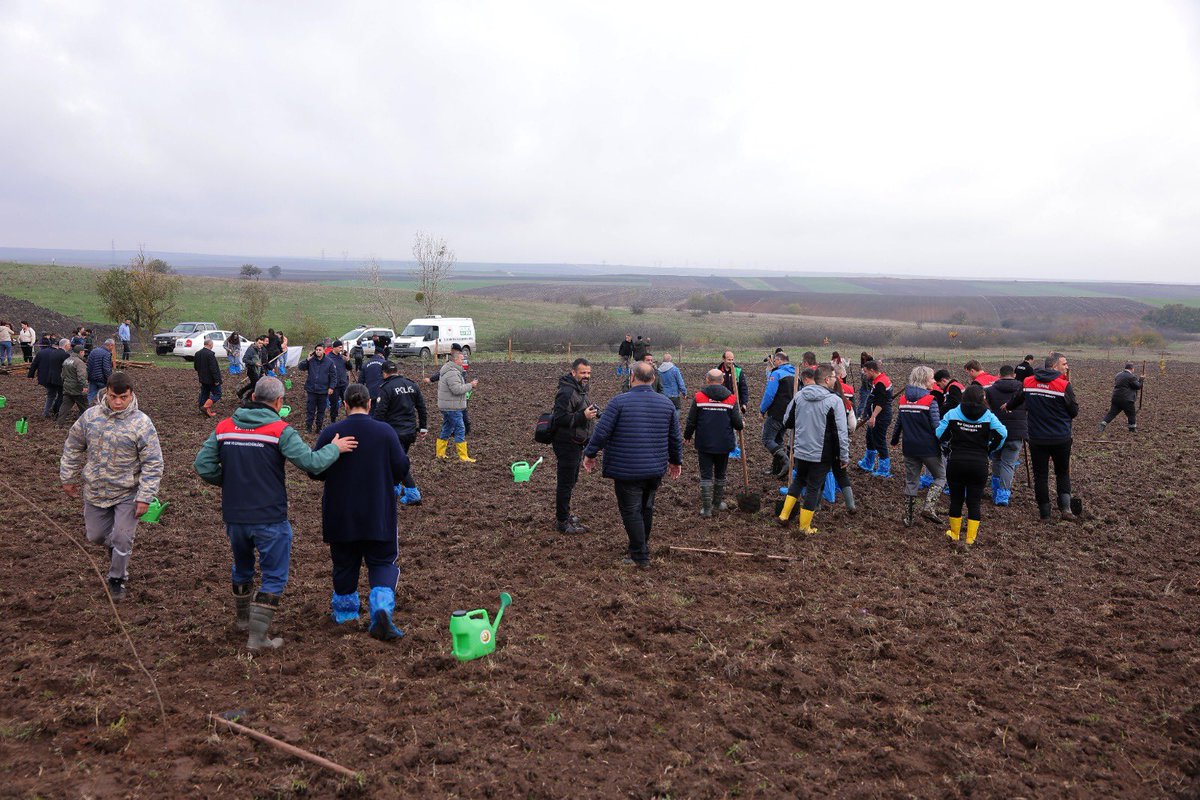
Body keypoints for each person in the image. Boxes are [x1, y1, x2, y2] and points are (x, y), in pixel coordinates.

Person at [193, 377, 357, 651]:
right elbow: (311, 463)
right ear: (279, 402)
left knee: (243, 568)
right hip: (269, 516)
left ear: (254, 397)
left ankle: (243, 621)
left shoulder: (223, 427)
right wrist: (334, 449)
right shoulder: (280, 430)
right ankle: (257, 638)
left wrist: (233, 482)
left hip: (235, 516)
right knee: (273, 576)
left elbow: (202, 465)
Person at [314, 384, 410, 640]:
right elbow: (401, 468)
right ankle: (380, 607)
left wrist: (331, 451)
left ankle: (345, 617)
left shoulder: (331, 433)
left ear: (344, 405)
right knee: (382, 562)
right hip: (377, 512)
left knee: (344, 564)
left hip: (340, 514)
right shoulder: (385, 432)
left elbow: (315, 471)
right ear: (370, 404)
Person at [61, 372, 163, 601]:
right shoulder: (90, 417)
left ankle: (117, 579)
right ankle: (115, 549)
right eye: (114, 396)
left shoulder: (142, 423)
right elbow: (73, 446)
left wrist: (145, 496)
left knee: (123, 536)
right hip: (95, 490)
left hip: (128, 492)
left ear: (131, 395)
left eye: (123, 397)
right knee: (95, 536)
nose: (118, 402)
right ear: (106, 393)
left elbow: (153, 462)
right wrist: (67, 477)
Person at [583, 362, 683, 568]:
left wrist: (590, 453)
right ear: (653, 379)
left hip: (626, 469)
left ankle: (639, 554)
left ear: (632, 378)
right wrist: (675, 461)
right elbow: (675, 437)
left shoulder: (618, 402)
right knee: (646, 508)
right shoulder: (666, 404)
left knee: (631, 511)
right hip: (654, 469)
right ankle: (639, 546)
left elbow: (602, 432)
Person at [1003, 352, 1078, 522]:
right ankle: (1066, 508)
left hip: (1037, 438)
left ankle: (1045, 513)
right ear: (1053, 366)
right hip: (1061, 437)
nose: (1067, 367)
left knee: (1041, 476)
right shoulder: (1064, 385)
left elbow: (1015, 401)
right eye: (1064, 364)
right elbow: (1074, 412)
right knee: (1062, 473)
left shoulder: (1028, 382)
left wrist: (1007, 405)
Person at [778, 365, 849, 535]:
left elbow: (787, 420)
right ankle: (804, 527)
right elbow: (841, 431)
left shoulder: (800, 395)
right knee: (813, 488)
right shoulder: (835, 400)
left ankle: (783, 516)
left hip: (801, 450)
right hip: (822, 453)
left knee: (798, 481)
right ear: (826, 379)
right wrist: (844, 456)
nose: (835, 380)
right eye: (833, 377)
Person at [936, 384, 1007, 546]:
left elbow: (940, 433)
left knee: (956, 500)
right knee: (974, 501)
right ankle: (970, 538)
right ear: (982, 398)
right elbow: (1003, 433)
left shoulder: (953, 413)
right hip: (979, 463)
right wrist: (990, 449)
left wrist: (949, 442)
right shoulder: (988, 416)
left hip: (956, 462)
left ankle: (954, 535)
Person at [684, 369, 744, 518]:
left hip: (704, 443)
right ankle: (717, 503)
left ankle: (706, 508)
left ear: (707, 380)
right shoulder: (731, 399)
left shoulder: (699, 397)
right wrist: (741, 423)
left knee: (705, 475)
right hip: (724, 444)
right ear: (722, 380)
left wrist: (687, 435)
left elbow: (691, 420)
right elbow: (737, 424)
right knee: (720, 473)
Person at [891, 365, 945, 526]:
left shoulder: (903, 400)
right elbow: (937, 427)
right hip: (929, 448)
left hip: (909, 447)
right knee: (941, 477)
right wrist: (946, 443)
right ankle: (929, 506)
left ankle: (908, 517)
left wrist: (894, 440)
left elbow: (899, 423)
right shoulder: (930, 400)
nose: (934, 381)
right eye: (931, 378)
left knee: (911, 481)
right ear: (924, 380)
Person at [551, 358, 600, 533]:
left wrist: (592, 411)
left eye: (588, 373)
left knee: (572, 480)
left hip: (576, 443)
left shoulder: (580, 389)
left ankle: (565, 513)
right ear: (573, 372)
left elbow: (580, 409)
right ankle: (562, 522)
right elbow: (560, 418)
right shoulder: (566, 391)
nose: (586, 376)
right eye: (583, 373)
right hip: (566, 443)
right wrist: (583, 416)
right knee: (565, 482)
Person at [373, 361, 428, 504]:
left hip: (394, 433)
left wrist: (376, 431)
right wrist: (423, 427)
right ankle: (393, 489)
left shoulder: (386, 388)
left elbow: (380, 413)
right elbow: (421, 407)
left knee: (398, 463)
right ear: (397, 371)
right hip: (410, 432)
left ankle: (412, 493)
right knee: (396, 461)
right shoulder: (411, 385)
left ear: (384, 373)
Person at [985, 365, 1027, 506]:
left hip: (996, 433)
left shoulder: (990, 390)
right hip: (1016, 433)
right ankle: (1003, 495)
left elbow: (988, 409)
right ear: (1014, 375)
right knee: (1008, 464)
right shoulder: (1023, 389)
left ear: (999, 374)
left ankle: (996, 492)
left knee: (996, 461)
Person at [436, 346, 478, 462]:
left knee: (447, 428)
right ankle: (463, 456)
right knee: (460, 428)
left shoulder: (451, 371)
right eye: (461, 359)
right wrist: (471, 385)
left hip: (449, 405)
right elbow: (457, 389)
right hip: (452, 407)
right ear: (455, 360)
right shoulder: (452, 373)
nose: (463, 361)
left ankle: (440, 453)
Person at [759, 351, 796, 476]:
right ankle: (777, 469)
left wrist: (762, 410)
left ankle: (786, 460)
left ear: (779, 360)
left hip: (776, 413)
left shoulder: (777, 373)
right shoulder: (796, 374)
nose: (774, 362)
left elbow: (769, 395)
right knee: (778, 440)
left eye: (775, 360)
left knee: (767, 439)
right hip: (789, 414)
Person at [858, 360, 894, 478]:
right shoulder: (880, 379)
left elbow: (881, 402)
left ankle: (884, 469)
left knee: (879, 441)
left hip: (880, 417)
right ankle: (868, 463)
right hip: (876, 415)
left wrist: (873, 416)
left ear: (872, 370)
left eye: (866, 372)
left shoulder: (880, 383)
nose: (865, 374)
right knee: (870, 437)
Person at [299, 343, 337, 433]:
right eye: (316, 350)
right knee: (310, 410)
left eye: (320, 350)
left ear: (324, 350)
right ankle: (308, 427)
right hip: (311, 389)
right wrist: (307, 360)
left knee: (321, 410)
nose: (318, 351)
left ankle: (318, 428)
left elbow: (333, 376)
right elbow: (301, 367)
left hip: (323, 390)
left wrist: (331, 387)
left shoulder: (329, 362)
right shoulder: (311, 360)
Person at [28, 338, 70, 417]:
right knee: (59, 394)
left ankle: (46, 411)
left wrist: (31, 374)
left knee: (51, 394)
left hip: (46, 377)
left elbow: (34, 364)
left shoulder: (42, 352)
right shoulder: (60, 354)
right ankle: (55, 410)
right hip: (57, 378)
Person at [1100, 363, 1142, 434]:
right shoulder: (1131, 376)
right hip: (1127, 399)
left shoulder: (1118, 375)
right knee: (1131, 414)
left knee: (1112, 413)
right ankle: (1132, 429)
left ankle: (1103, 424)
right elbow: (1137, 386)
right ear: (1131, 368)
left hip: (1116, 398)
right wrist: (1141, 380)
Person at [58, 344, 90, 425]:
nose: (84, 354)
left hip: (67, 387)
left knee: (64, 407)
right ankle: (89, 423)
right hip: (77, 388)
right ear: (81, 352)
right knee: (85, 407)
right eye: (83, 352)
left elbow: (62, 375)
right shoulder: (79, 362)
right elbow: (81, 376)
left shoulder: (66, 360)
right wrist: (85, 386)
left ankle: (59, 423)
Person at [194, 338, 223, 417]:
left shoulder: (197, 353)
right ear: (210, 345)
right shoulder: (210, 354)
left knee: (204, 393)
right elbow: (213, 368)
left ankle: (202, 408)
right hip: (211, 379)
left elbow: (196, 367)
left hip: (202, 378)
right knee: (218, 394)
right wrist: (217, 380)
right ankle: (205, 407)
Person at [327, 342, 351, 423]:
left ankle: (350, 419)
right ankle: (333, 421)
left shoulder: (342, 357)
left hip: (343, 384)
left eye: (341, 347)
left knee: (347, 403)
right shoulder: (328, 358)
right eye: (339, 347)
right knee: (334, 405)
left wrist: (348, 360)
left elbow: (350, 368)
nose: (341, 349)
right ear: (334, 347)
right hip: (334, 386)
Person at [238, 334, 267, 401]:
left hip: (258, 370)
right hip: (251, 370)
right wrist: (254, 363)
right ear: (256, 342)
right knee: (256, 386)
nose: (260, 345)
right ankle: (247, 398)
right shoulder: (251, 349)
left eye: (262, 344)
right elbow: (244, 359)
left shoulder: (260, 350)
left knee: (253, 384)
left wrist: (262, 372)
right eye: (259, 343)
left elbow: (260, 361)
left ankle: (240, 392)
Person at [86, 339, 115, 404]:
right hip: (102, 380)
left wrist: (88, 376)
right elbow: (106, 369)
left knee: (90, 395)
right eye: (113, 346)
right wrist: (110, 379)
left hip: (92, 378)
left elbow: (88, 364)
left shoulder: (94, 351)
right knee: (105, 396)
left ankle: (84, 409)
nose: (113, 348)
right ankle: (103, 410)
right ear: (110, 345)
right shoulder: (107, 354)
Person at [855, 352, 874, 420]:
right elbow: (865, 380)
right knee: (864, 402)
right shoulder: (864, 375)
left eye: (864, 356)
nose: (863, 357)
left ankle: (865, 416)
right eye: (862, 356)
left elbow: (873, 365)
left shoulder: (870, 359)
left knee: (867, 402)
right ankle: (858, 416)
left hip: (868, 386)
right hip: (866, 388)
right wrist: (868, 387)